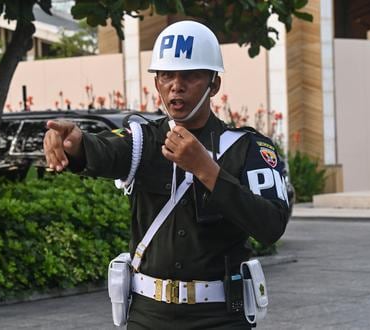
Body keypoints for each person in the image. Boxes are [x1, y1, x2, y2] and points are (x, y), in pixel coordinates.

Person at [44, 20, 290, 329]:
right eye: (166, 75)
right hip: (148, 316)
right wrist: (75, 144)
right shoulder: (142, 140)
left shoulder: (248, 148)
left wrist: (206, 169)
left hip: (220, 317)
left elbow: (271, 226)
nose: (176, 85)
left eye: (189, 76)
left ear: (214, 84)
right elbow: (104, 152)